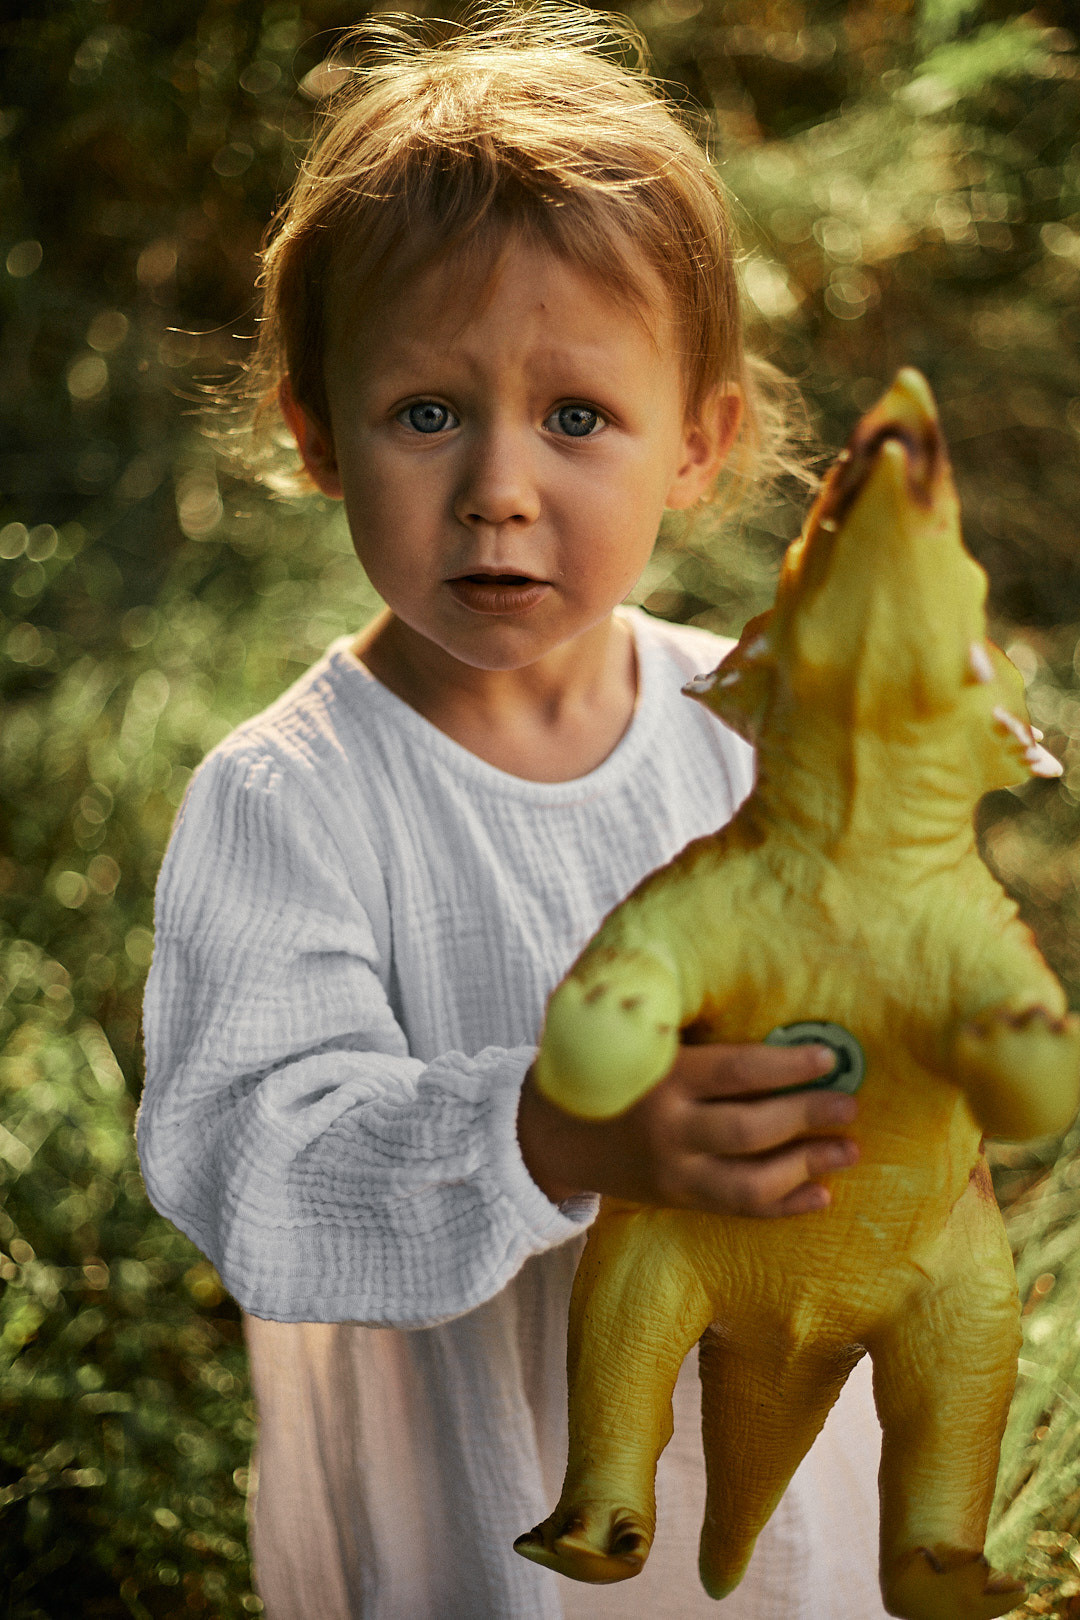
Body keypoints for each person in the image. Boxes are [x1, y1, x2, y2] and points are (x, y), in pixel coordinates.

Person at [138, 9, 888, 1617]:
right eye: (426, 412)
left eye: (575, 417)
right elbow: (259, 1169)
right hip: (474, 1497)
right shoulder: (292, 801)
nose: (498, 486)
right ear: (315, 432)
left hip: (749, 1431)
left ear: (699, 440)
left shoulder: (761, 738)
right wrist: (552, 1130)